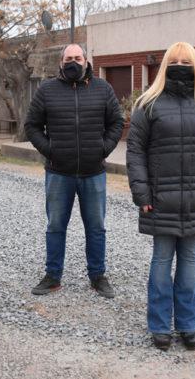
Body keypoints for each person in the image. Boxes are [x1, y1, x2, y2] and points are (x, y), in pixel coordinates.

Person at [126, 41, 195, 351]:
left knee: (189, 261)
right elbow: (135, 152)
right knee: (161, 260)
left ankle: (188, 324)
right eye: (175, 60)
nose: (181, 64)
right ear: (165, 64)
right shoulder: (148, 104)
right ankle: (159, 326)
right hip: (160, 198)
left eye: (187, 60)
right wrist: (141, 191)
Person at [24, 44, 124, 298]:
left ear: (86, 60)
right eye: (68, 59)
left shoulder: (103, 88)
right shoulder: (47, 90)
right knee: (55, 226)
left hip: (94, 172)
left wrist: (103, 149)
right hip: (59, 172)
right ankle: (53, 276)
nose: (73, 62)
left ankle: (98, 276)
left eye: (77, 58)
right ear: (60, 62)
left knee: (96, 227)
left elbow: (116, 122)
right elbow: (32, 126)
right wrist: (50, 150)